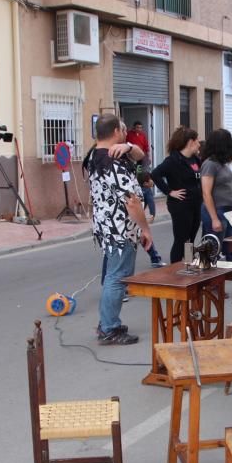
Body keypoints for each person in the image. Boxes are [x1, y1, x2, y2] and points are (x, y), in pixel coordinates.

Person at [87, 114, 153, 344]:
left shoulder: (96, 156)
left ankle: (107, 322)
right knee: (117, 278)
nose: (126, 133)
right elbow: (132, 201)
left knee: (115, 276)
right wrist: (145, 229)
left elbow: (140, 156)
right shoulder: (113, 163)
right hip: (120, 229)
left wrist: (128, 146)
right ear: (116, 130)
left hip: (107, 227)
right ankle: (109, 328)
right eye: (123, 130)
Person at [200, 128, 232, 290]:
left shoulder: (221, 163)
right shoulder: (210, 164)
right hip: (216, 211)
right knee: (212, 249)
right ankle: (210, 284)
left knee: (230, 247)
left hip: (227, 211)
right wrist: (214, 218)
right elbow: (206, 193)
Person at [151, 126, 202, 263]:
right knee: (181, 239)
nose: (199, 143)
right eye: (197, 140)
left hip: (195, 203)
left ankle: (188, 264)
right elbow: (155, 174)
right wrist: (169, 192)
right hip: (180, 206)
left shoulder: (195, 159)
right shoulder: (173, 160)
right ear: (190, 142)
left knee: (190, 239)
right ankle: (174, 272)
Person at [136, 170, 166, 267]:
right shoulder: (146, 190)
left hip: (130, 218)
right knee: (145, 238)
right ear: (145, 183)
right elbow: (151, 202)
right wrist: (152, 215)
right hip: (137, 219)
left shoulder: (137, 189)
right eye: (151, 180)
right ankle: (155, 259)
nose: (152, 181)